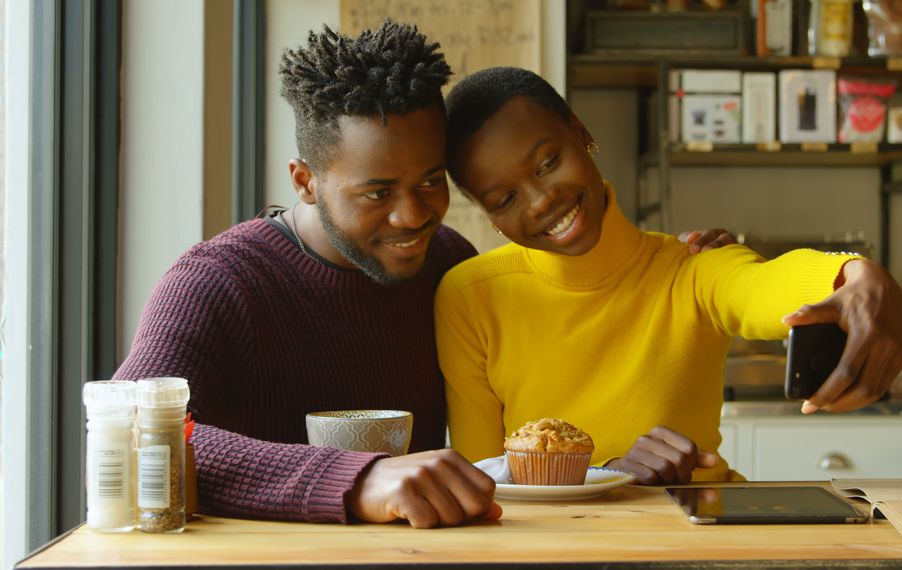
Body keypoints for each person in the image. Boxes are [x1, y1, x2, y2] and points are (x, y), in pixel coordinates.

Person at [114, 23, 731, 527]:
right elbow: (132, 433)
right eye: (377, 192)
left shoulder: (450, 264)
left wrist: (663, 264)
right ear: (305, 179)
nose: (413, 217)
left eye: (431, 181)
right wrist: (354, 479)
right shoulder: (220, 282)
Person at [435, 67, 902, 485]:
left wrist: (854, 273)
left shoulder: (691, 268)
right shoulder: (470, 297)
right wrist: (609, 478)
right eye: (504, 200)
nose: (539, 201)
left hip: (697, 540)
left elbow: (759, 287)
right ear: (488, 216)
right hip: (561, 551)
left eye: (547, 163)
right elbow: (486, 482)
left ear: (581, 134)